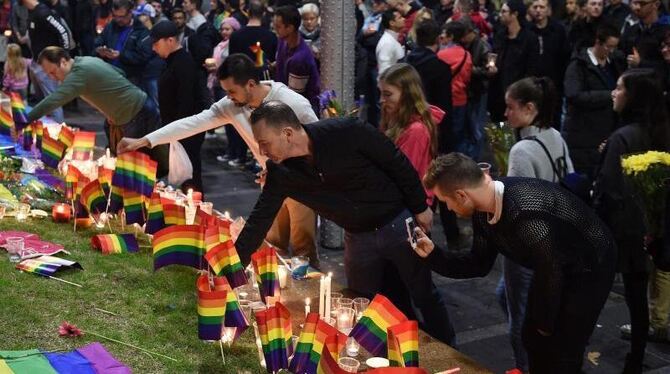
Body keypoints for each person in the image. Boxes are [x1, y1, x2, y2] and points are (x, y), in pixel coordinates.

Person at [230, 100, 456, 346]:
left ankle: (451, 349)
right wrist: (231, 268)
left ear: (287, 133)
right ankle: (380, 358)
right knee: (361, 302)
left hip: (396, 222)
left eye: (264, 143)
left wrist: (420, 206)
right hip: (358, 237)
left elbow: (395, 161)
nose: (262, 152)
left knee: (422, 292)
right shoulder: (281, 173)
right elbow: (259, 219)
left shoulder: (346, 131)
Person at [413, 152, 616, 373]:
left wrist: (545, 326)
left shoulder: (524, 213)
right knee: (533, 339)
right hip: (553, 265)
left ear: (461, 195)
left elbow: (552, 273)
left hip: (591, 265)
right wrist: (434, 255)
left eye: (446, 202)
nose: (449, 210)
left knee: (562, 351)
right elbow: (479, 264)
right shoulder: (483, 210)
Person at [116, 53, 320, 268]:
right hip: (271, 183)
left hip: (301, 183)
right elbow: (194, 123)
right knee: (272, 246)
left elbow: (318, 142)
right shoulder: (232, 105)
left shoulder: (292, 102)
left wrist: (296, 170)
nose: (229, 96)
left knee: (303, 250)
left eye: (232, 91)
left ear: (250, 84)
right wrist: (147, 140)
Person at [495, 76, 575, 373]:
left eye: (510, 107)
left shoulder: (522, 150)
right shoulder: (555, 135)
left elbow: (518, 204)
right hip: (559, 236)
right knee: (505, 296)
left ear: (530, 108)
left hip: (528, 246)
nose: (506, 114)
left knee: (520, 320)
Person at [593, 69, 670, 373]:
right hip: (650, 231)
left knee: (593, 293)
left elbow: (608, 191)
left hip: (619, 234)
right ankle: (635, 359)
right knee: (638, 301)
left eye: (619, 88)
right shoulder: (660, 131)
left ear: (633, 96)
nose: (613, 93)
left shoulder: (623, 137)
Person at [28, 47, 160, 161]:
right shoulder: (87, 60)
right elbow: (120, 72)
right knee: (124, 162)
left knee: (135, 167)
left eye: (53, 72)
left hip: (136, 114)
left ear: (63, 62)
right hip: (136, 109)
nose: (52, 77)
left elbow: (53, 100)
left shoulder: (77, 75)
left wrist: (24, 120)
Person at [563, 23, 624, 181]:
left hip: (605, 132)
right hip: (583, 135)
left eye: (614, 47)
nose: (611, 51)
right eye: (608, 47)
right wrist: (608, 95)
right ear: (598, 42)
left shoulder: (614, 64)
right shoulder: (578, 65)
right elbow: (573, 95)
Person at [379, 63, 442, 207]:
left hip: (411, 207)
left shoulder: (416, 130)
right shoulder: (396, 119)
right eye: (381, 93)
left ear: (407, 94)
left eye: (387, 94)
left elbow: (403, 176)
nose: (381, 100)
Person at [150, 21, 204, 192]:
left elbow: (186, 101)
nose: (153, 48)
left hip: (186, 132)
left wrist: (177, 132)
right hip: (177, 130)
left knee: (190, 176)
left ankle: (196, 214)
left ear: (170, 41)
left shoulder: (184, 62)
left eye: (156, 43)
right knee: (183, 177)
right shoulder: (172, 61)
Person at [488, 0, 540, 122]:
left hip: (519, 96)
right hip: (497, 96)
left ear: (515, 14)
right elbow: (494, 57)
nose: (501, 14)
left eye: (504, 11)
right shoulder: (500, 36)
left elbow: (532, 69)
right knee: (498, 137)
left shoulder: (530, 39)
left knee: (515, 136)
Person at [23, 0, 73, 122]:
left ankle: (59, 135)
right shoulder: (34, 12)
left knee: (53, 102)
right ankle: (48, 133)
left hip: (48, 64)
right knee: (44, 104)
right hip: (37, 62)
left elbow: (63, 31)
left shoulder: (43, 12)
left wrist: (64, 57)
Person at [273, 5, 321, 112]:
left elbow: (295, 97)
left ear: (290, 28)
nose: (275, 29)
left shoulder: (300, 58)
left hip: (302, 108)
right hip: (283, 98)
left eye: (278, 26)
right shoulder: (282, 41)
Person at [438, 20, 472, 156]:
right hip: (461, 99)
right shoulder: (467, 55)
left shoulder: (441, 55)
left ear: (451, 36)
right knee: (459, 135)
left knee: (445, 136)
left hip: (445, 99)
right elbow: (467, 78)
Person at [376, 9, 406, 77]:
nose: (404, 19)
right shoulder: (387, 43)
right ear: (392, 23)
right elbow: (383, 71)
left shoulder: (392, 39)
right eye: (400, 18)